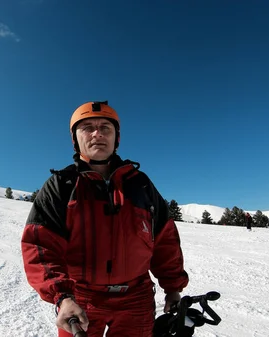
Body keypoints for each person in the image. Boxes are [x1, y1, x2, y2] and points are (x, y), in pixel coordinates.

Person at [21, 101, 189, 337]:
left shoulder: (140, 184)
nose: (97, 133)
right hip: (82, 298)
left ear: (116, 137)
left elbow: (165, 240)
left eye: (105, 127)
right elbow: (40, 246)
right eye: (87, 127)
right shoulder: (62, 185)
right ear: (75, 138)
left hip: (136, 298)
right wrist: (62, 297)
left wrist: (173, 288)